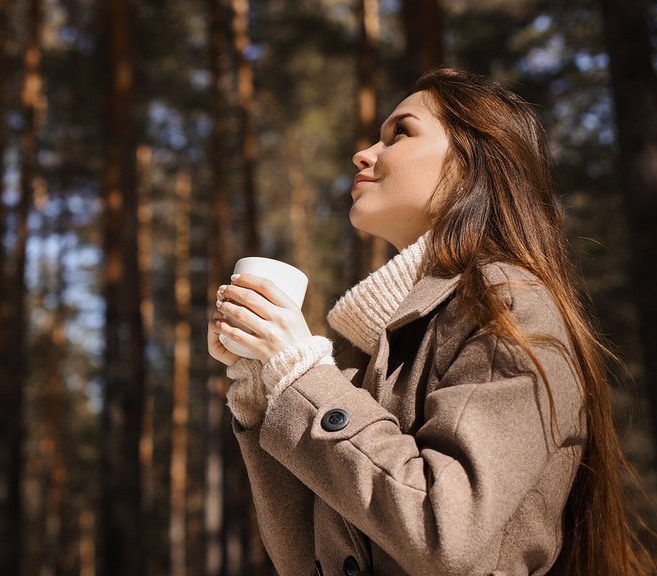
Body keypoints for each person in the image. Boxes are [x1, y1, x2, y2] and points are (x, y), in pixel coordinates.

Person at [208, 67, 655, 576]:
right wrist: (262, 389)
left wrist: (301, 376)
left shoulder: (507, 307)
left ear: (472, 165)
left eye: (401, 133)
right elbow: (302, 561)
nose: (363, 154)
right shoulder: (373, 348)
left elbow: (444, 532)